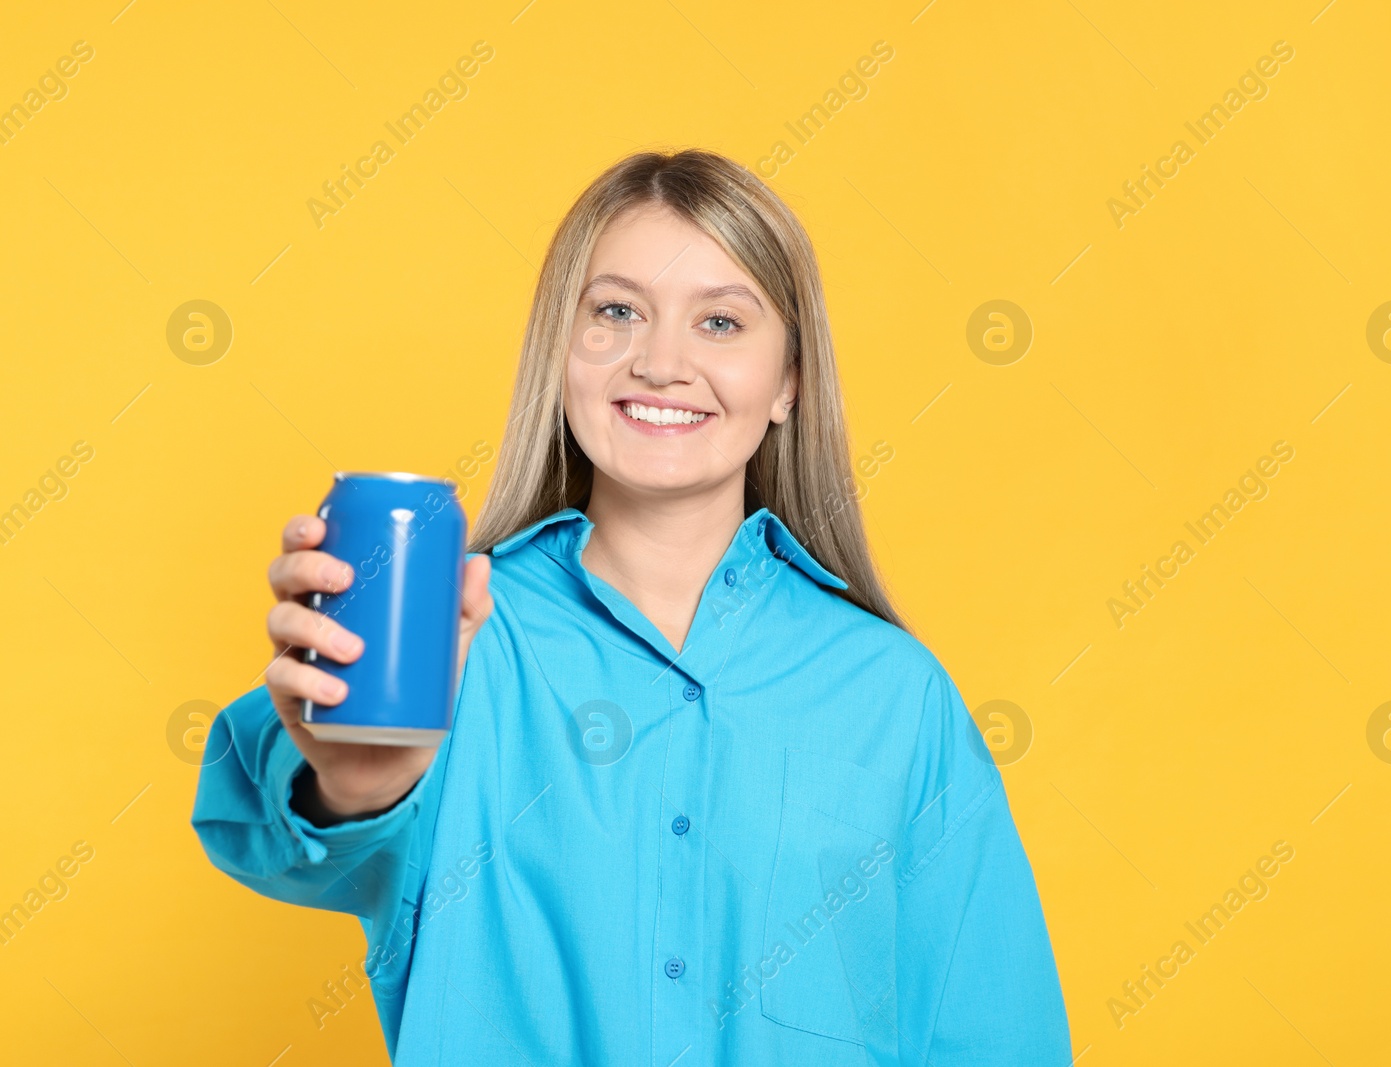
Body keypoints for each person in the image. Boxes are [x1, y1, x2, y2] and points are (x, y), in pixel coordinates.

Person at [191, 148, 1071, 1065]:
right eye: (616, 311)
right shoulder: (449, 636)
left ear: (788, 382)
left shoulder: (896, 693)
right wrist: (356, 784)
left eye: (722, 322)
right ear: (559, 351)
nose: (661, 362)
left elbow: (993, 1033)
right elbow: (262, 826)